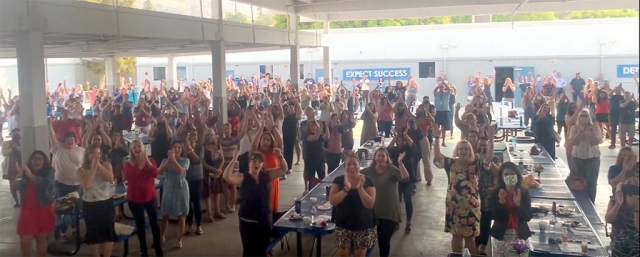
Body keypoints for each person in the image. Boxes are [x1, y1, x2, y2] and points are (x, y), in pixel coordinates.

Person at [223, 149, 287, 257]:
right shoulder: (243, 177)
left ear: (262, 165)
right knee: (249, 251)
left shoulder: (266, 175)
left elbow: (283, 169)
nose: (257, 163)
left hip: (264, 220)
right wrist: (234, 159)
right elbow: (226, 177)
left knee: (262, 249)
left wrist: (280, 156)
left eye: (260, 161)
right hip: (248, 222)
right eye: (254, 161)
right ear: (249, 164)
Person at [432, 122, 481, 254]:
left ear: (470, 151)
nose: (463, 151)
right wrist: (436, 138)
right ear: (457, 151)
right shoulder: (450, 163)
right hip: (454, 206)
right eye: (461, 149)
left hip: (471, 207)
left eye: (466, 149)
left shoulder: (476, 164)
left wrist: (491, 139)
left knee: (470, 238)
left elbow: (488, 158)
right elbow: (437, 157)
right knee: (456, 236)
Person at [360, 148, 409, 257]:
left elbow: (405, 178)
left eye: (383, 156)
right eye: (378, 155)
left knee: (384, 241)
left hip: (388, 212)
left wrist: (400, 163)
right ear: (375, 157)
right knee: (366, 241)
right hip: (371, 212)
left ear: (387, 158)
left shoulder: (392, 170)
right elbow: (356, 176)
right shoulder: (368, 171)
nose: (380, 158)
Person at [329, 153, 377, 257]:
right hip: (343, 225)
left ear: (359, 165)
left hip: (363, 225)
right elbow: (333, 201)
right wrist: (346, 189)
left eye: (354, 164)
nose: (351, 166)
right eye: (348, 164)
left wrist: (360, 188)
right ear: (344, 166)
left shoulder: (368, 181)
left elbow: (369, 204)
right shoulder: (338, 180)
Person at [124, 140, 163, 257]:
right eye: (134, 147)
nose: (137, 149)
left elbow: (155, 173)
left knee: (155, 223)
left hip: (150, 197)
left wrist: (147, 161)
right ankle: (143, 250)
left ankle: (158, 247)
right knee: (140, 225)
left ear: (143, 148)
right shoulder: (127, 164)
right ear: (131, 150)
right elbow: (130, 177)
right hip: (134, 199)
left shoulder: (150, 161)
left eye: (139, 146)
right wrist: (140, 165)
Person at [77, 144, 116, 257]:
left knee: (108, 231)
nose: (96, 156)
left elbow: (110, 178)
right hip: (90, 204)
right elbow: (86, 185)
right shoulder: (80, 170)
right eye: (93, 154)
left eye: (98, 154)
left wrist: (99, 166)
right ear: (88, 155)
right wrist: (93, 169)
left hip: (106, 202)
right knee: (93, 233)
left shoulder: (106, 164)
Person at [15, 151, 55, 257]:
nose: (37, 161)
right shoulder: (25, 173)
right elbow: (17, 186)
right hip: (27, 211)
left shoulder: (49, 172)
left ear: (44, 161)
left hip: (43, 210)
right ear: (31, 161)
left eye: (40, 159)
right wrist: (19, 175)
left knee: (42, 239)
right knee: (25, 239)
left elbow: (45, 183)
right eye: (34, 159)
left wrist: (30, 175)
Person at [490, 162, 533, 257]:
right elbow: (493, 216)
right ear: (501, 177)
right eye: (506, 174)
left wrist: (517, 206)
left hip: (520, 235)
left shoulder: (524, 192)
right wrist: (501, 203)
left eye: (512, 173)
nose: (510, 176)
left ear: (517, 175)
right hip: (501, 236)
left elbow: (528, 216)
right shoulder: (495, 193)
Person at [158, 141, 190, 250]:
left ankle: (179, 239)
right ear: (171, 149)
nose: (177, 149)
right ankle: (161, 235)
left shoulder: (185, 160)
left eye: (179, 147)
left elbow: (180, 170)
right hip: (168, 187)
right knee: (165, 214)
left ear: (181, 150)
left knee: (181, 215)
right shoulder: (164, 160)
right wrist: (168, 161)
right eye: (175, 147)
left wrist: (174, 160)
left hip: (181, 188)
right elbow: (159, 171)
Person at [568, 109, 602, 203]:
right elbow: (573, 142)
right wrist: (580, 132)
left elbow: (597, 142)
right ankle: (582, 202)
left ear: (589, 117)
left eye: (586, 116)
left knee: (592, 182)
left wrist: (590, 132)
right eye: (582, 116)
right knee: (580, 181)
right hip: (578, 157)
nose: (584, 118)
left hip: (593, 157)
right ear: (579, 118)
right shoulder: (574, 128)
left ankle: (591, 201)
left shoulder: (595, 127)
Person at [605, 165, 639, 257]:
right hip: (618, 243)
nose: (632, 184)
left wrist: (636, 209)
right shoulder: (616, 199)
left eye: (636, 182)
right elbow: (608, 219)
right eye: (629, 182)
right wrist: (618, 204)